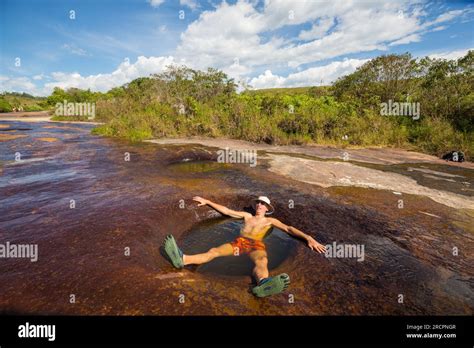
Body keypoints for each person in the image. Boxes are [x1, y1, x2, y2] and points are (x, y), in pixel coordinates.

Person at [163, 196, 326, 297]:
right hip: (239, 244)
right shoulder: (247, 216)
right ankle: (182, 260)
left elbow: (289, 229)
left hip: (256, 244)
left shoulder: (271, 221)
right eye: (258, 203)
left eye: (263, 204)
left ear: (267, 209)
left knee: (261, 262)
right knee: (213, 251)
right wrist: (207, 202)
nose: (260, 205)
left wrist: (308, 238)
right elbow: (226, 211)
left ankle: (263, 284)